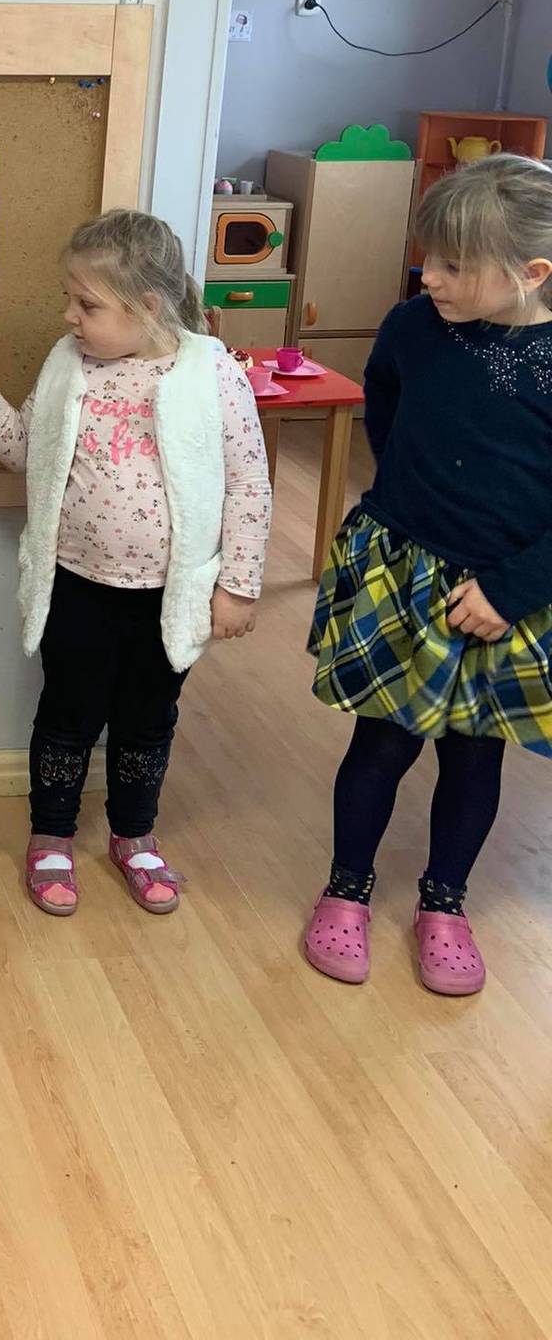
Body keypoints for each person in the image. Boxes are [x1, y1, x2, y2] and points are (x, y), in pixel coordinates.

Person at [0, 208, 270, 918]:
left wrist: (238, 586)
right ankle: (51, 834)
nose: (69, 316)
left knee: (149, 720)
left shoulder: (212, 372)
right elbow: (24, 452)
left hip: (168, 596)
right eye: (70, 299)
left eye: (86, 305)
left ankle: (134, 834)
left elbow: (248, 482)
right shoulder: (69, 363)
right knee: (67, 714)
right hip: (77, 586)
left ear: (146, 305)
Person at [302, 155, 552, 997]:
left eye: (452, 265)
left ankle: (445, 903)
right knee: (380, 744)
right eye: (427, 258)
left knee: (475, 758)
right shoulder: (413, 325)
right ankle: (346, 889)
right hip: (401, 568)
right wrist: (408, 494)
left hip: (506, 593)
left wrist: (509, 591)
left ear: (532, 273)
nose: (429, 277)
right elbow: (385, 400)